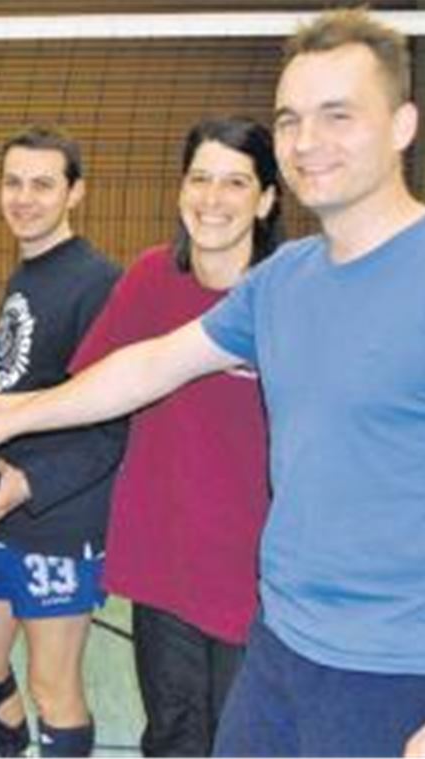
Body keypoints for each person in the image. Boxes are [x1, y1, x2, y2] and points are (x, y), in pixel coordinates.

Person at [0, 9, 425, 757]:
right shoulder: (285, 280)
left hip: (400, 666)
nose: (307, 141)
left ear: (403, 125)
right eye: (290, 119)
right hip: (280, 641)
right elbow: (148, 365)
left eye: (338, 115)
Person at [70, 116, 281, 756]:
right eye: (199, 178)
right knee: (173, 738)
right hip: (165, 559)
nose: (212, 198)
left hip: (259, 573)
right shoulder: (150, 278)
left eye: (235, 182)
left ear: (267, 200)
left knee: (243, 742)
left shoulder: (288, 295)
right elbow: (90, 399)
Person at [0, 125, 125, 758]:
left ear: (76, 193)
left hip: (60, 516)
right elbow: (29, 391)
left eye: (43, 184)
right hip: (5, 510)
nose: (24, 198)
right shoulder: (28, 274)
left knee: (53, 685)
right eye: (13, 183)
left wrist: (30, 481)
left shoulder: (97, 283)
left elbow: (111, 422)